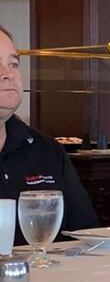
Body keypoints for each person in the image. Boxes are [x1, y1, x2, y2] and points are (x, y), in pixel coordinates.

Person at [0, 25, 98, 246]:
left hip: (48, 277)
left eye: (13, 64)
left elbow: (86, 233)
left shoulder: (44, 148)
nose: (8, 74)